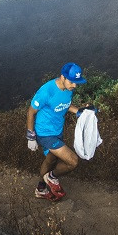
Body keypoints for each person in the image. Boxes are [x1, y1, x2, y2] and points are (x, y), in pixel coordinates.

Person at [26, 62, 89, 201]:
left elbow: (65, 105)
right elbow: (31, 112)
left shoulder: (68, 89)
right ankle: (52, 177)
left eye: (76, 82)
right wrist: (31, 136)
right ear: (63, 77)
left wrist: (79, 111)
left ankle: (41, 189)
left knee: (50, 160)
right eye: (72, 82)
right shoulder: (46, 91)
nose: (75, 86)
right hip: (45, 133)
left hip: (57, 131)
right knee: (72, 161)